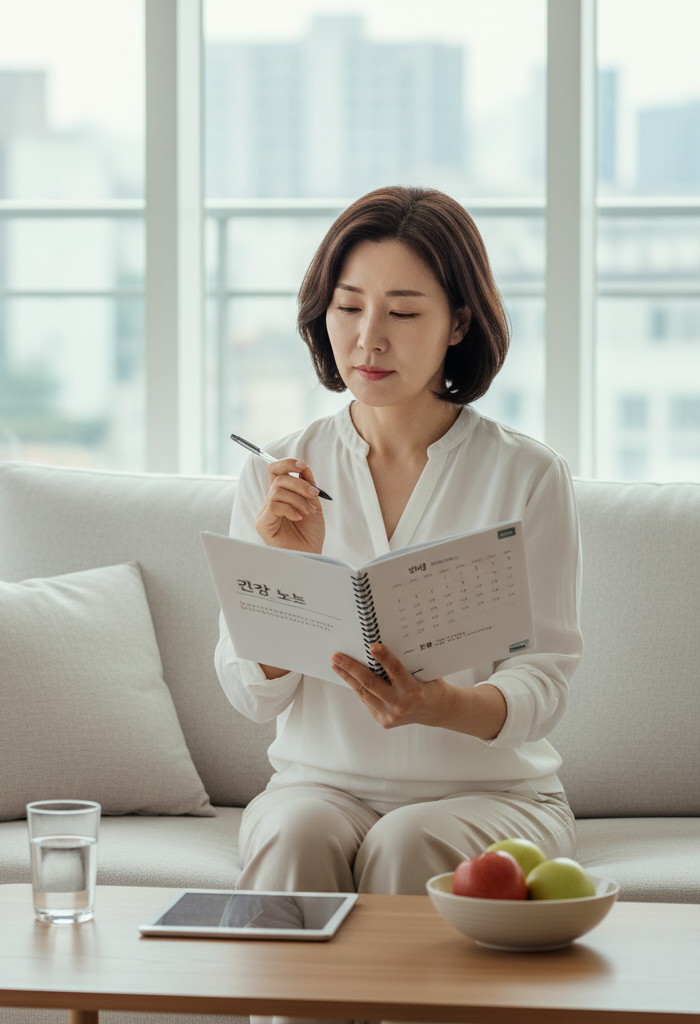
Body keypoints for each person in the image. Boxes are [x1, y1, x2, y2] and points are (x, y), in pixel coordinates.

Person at [215, 186, 582, 909]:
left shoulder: (527, 474)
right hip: (318, 786)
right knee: (295, 835)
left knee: (408, 841)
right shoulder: (279, 473)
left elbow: (544, 683)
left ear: (458, 322)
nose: (368, 338)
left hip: (489, 794)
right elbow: (247, 693)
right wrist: (288, 571)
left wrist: (439, 704)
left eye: (404, 312)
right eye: (349, 307)